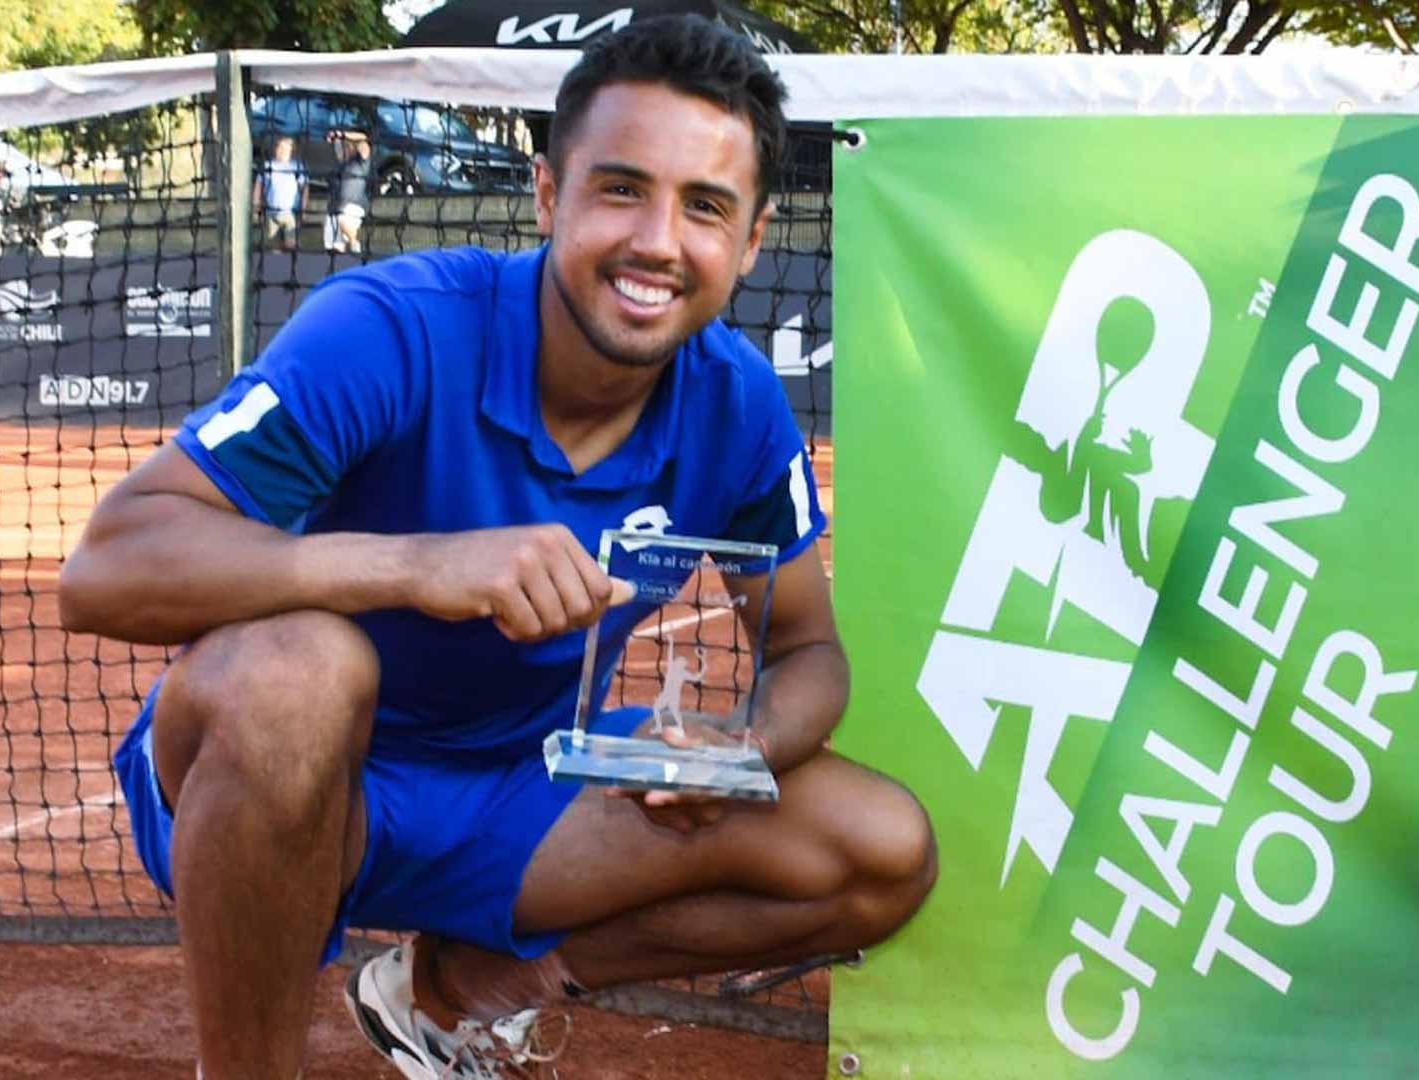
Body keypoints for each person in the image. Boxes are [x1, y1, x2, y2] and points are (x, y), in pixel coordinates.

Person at [59, 16, 936, 1080]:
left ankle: (469, 988)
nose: (658, 240)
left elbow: (808, 653)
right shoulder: (390, 328)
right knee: (298, 673)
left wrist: (745, 745)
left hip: (524, 798)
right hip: (294, 781)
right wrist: (416, 566)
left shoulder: (739, 404)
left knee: (880, 852)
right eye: (621, 188)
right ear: (547, 196)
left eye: (705, 206)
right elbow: (107, 566)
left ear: (750, 242)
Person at [254, 136, 307, 251]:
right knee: (273, 245)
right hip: (271, 212)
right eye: (280, 147)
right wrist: (256, 205)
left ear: (291, 151)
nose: (281, 151)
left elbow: (304, 188)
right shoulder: (268, 166)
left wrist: (303, 209)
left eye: (285, 148)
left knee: (291, 243)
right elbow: (259, 185)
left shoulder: (297, 167)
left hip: (290, 212)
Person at [326, 130, 373, 254]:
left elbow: (364, 138)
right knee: (334, 250)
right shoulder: (339, 167)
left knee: (342, 220)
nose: (341, 150)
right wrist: (334, 137)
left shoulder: (361, 162)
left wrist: (342, 134)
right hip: (334, 209)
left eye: (345, 146)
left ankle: (354, 242)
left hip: (354, 206)